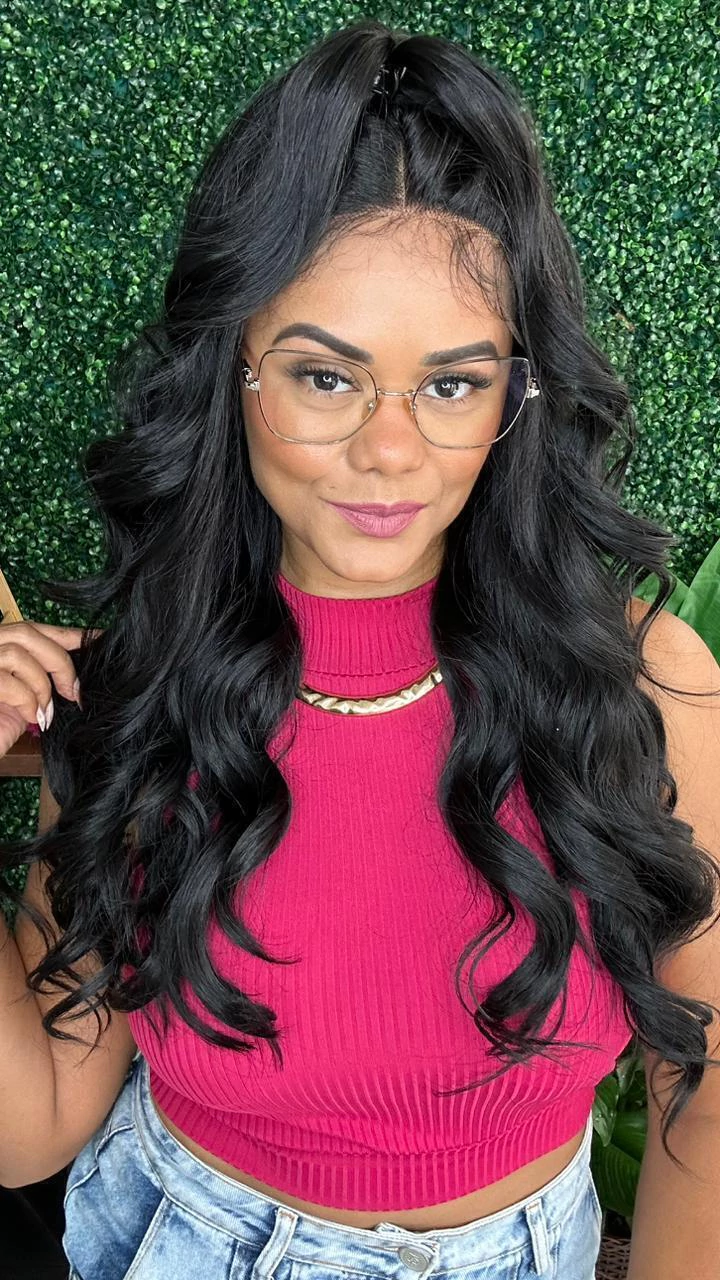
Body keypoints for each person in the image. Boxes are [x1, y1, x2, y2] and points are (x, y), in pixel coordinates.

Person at [2, 18, 720, 1280]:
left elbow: (707, 1081)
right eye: (325, 378)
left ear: (516, 391)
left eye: (452, 384)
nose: (391, 453)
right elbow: (32, 1120)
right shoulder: (144, 687)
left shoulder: (642, 684)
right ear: (233, 369)